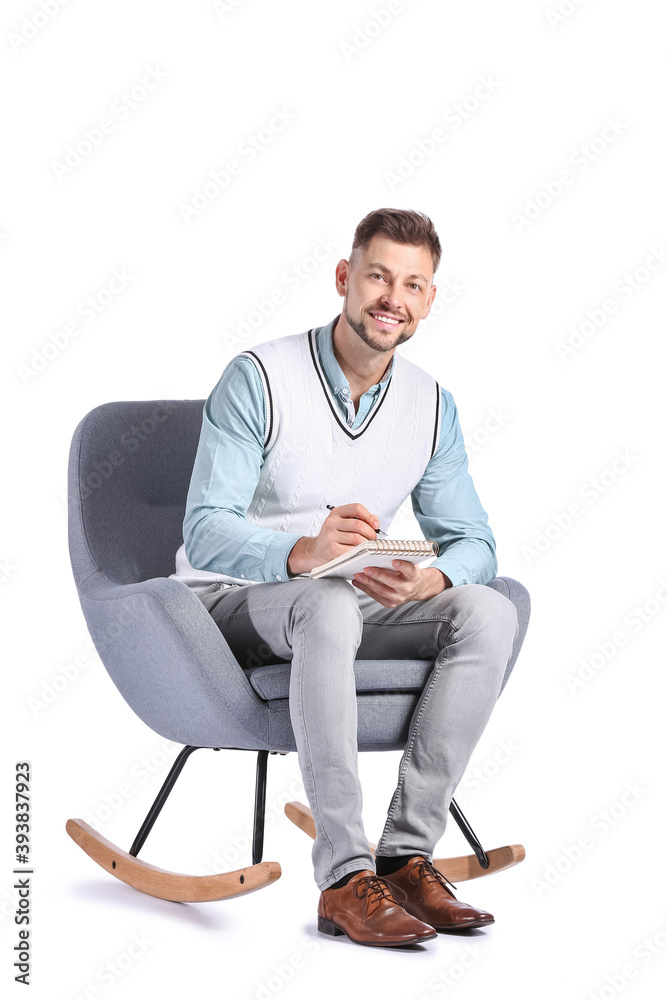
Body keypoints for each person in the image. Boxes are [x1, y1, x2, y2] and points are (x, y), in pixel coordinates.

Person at [168, 207, 522, 949]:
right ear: (343, 278)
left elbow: (474, 540)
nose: (392, 297)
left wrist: (434, 582)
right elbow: (203, 528)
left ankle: (402, 856)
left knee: (486, 611)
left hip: (346, 606)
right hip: (233, 604)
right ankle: (341, 876)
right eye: (378, 277)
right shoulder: (257, 376)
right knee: (327, 602)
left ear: (428, 300)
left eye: (413, 284)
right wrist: (303, 551)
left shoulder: (431, 405)